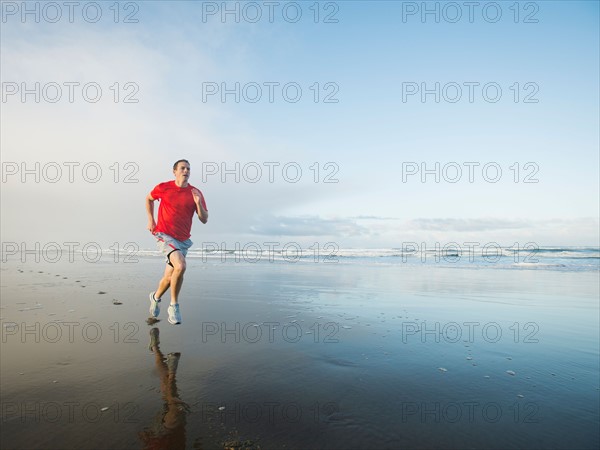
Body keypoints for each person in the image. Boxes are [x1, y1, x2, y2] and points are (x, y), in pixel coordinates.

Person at [146, 159, 208, 324]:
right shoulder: (164, 187)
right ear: (174, 171)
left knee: (169, 275)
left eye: (188, 168)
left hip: (182, 239)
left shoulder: (196, 193)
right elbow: (149, 199)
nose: (186, 171)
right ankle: (174, 306)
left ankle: (156, 297)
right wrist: (151, 220)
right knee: (181, 265)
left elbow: (204, 219)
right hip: (164, 234)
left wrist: (198, 204)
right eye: (182, 168)